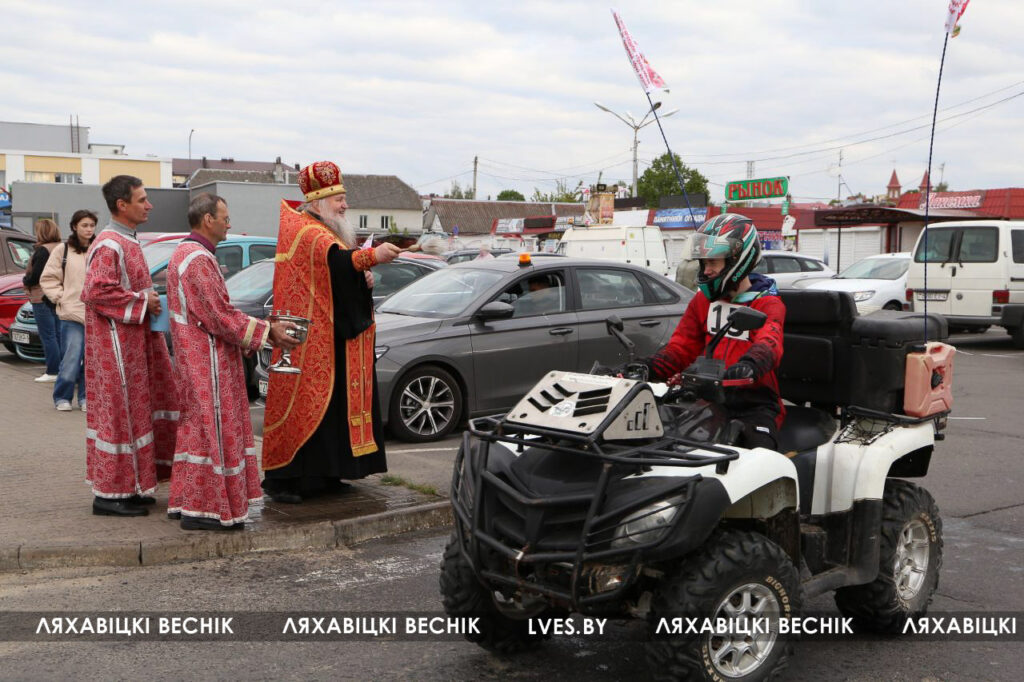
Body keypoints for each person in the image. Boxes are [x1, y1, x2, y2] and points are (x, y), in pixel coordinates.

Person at [262, 161, 401, 504]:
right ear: (319, 201)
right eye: (339, 199)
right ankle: (287, 480)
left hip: (330, 335)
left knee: (332, 411)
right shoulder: (307, 230)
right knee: (305, 409)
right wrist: (372, 256)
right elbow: (338, 261)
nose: (345, 205)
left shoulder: (323, 229)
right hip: (306, 339)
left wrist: (363, 278)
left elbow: (335, 274)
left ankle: (326, 475)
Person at [166, 194, 300, 530]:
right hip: (206, 361)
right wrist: (268, 331)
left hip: (197, 356)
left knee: (198, 430)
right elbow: (219, 315)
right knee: (211, 430)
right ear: (208, 220)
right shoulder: (197, 259)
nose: (230, 224)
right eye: (225, 218)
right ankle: (207, 510)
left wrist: (254, 332)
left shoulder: (187, 252)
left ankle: (190, 503)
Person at [644, 214, 786, 450]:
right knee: (662, 438)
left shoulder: (767, 303)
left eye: (713, 263)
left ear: (737, 260)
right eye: (704, 263)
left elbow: (770, 343)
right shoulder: (702, 302)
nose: (707, 270)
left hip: (754, 404)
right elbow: (681, 347)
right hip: (708, 398)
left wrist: (751, 364)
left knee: (757, 455)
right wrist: (648, 367)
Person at [81, 175, 178, 517]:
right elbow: (95, 292)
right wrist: (142, 301)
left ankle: (133, 486)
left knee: (137, 416)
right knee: (119, 419)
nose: (149, 205)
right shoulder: (109, 244)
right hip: (115, 352)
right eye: (142, 200)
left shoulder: (127, 240)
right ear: (122, 205)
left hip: (133, 347)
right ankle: (109, 495)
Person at [39, 209, 97, 411]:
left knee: (92, 360)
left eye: (92, 225)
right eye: (84, 225)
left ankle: (86, 398)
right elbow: (48, 278)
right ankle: (62, 397)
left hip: (96, 314)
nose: (89, 229)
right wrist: (60, 297)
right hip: (71, 313)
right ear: (74, 227)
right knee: (72, 357)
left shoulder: (99, 249)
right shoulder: (62, 250)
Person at [22, 218, 63, 382]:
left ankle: (53, 371)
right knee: (59, 335)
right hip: (58, 295)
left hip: (41, 297)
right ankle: (63, 370)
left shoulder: (42, 251)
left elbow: (36, 276)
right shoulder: (62, 248)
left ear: (42, 232)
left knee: (48, 336)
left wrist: (26, 281)